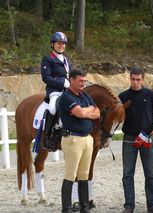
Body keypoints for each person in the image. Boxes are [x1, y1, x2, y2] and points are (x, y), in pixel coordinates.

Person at [119, 67, 153, 213]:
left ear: (143, 80)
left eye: (138, 79)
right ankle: (128, 206)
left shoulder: (150, 94)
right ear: (130, 78)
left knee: (150, 173)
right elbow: (115, 115)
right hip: (129, 139)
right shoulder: (122, 96)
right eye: (133, 79)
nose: (135, 82)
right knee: (127, 174)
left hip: (147, 137)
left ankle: (152, 205)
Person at [58, 69, 100, 213]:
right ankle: (67, 207)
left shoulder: (85, 96)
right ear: (71, 80)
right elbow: (80, 112)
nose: (83, 83)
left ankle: (84, 207)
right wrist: (88, 111)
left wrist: (85, 111)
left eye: (84, 81)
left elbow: (98, 112)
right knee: (70, 175)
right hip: (72, 139)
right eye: (80, 81)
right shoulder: (65, 97)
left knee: (84, 174)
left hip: (87, 139)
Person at [41, 31, 73, 146]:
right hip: (55, 91)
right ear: (52, 44)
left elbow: (72, 75)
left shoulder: (67, 60)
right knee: (53, 108)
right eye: (59, 43)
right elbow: (46, 78)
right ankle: (47, 137)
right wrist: (61, 83)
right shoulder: (48, 59)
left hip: (68, 90)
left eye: (63, 44)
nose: (62, 46)